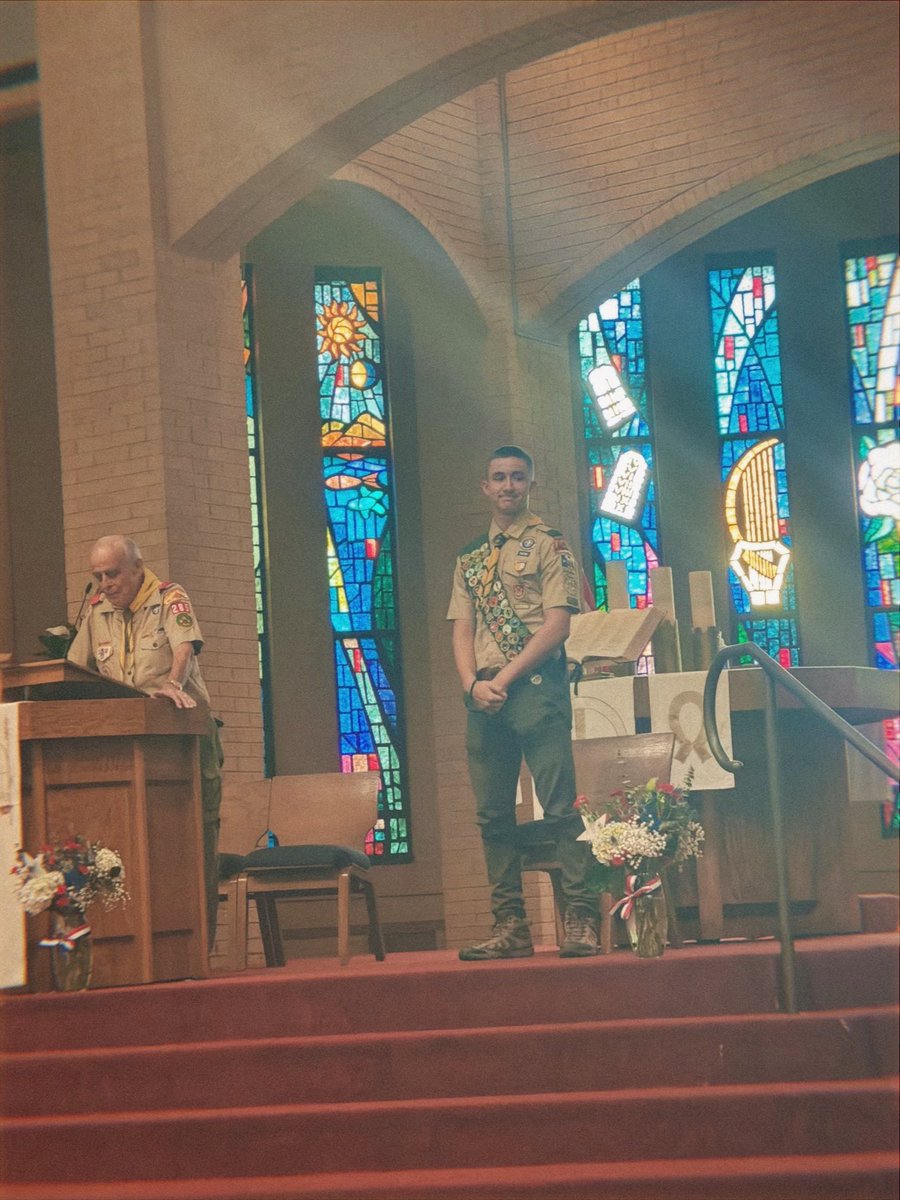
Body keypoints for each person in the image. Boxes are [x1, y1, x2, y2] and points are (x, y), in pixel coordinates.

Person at [447, 446, 599, 959]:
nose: (507, 485)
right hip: (484, 697)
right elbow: (462, 627)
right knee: (493, 817)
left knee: (560, 808)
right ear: (485, 488)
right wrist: (471, 684)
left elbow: (558, 625)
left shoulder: (549, 546)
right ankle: (510, 925)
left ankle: (580, 918)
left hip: (533, 690)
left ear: (531, 484)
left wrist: (503, 680)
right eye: (498, 478)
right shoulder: (469, 558)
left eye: (517, 477)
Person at [68, 535, 224, 948]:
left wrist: (172, 683)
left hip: (183, 738)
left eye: (113, 574)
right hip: (129, 746)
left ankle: (198, 948)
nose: (105, 584)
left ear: (137, 568)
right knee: (133, 843)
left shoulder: (169, 597)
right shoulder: (97, 610)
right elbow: (73, 670)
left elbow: (185, 647)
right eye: (98, 576)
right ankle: (143, 945)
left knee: (194, 841)